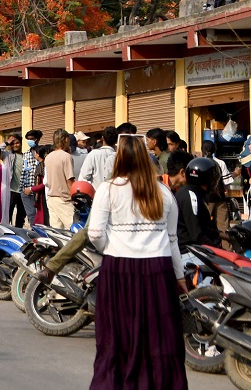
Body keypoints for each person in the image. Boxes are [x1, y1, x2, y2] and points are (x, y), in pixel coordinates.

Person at [86, 135, 187, 389]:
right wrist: (180, 277)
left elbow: (95, 233)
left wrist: (111, 249)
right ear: (146, 158)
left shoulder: (108, 189)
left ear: (119, 158)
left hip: (119, 269)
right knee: (159, 336)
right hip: (159, 270)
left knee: (117, 336)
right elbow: (173, 239)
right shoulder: (163, 192)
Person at [44, 130, 76, 229]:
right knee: (72, 229)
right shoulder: (66, 157)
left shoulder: (48, 157)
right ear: (66, 139)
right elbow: (69, 179)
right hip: (64, 199)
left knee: (57, 231)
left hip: (51, 198)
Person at [4, 135, 26, 228]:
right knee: (8, 214)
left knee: (21, 216)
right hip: (11, 190)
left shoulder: (25, 156)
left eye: (17, 143)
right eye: (13, 144)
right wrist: (7, 142)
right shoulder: (7, 155)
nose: (15, 145)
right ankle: (6, 233)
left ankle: (19, 234)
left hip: (22, 191)